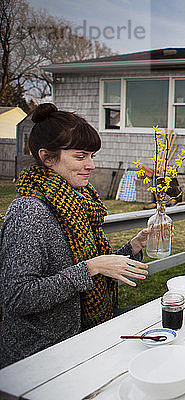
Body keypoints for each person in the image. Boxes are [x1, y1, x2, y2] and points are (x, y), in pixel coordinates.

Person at [0, 103, 150, 368]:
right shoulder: (29, 212)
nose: (91, 165)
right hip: (43, 354)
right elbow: (17, 298)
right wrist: (91, 267)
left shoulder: (76, 201)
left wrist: (134, 246)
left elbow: (92, 265)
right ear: (47, 158)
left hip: (85, 328)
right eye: (81, 156)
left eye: (91, 156)